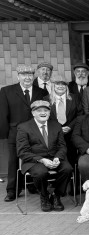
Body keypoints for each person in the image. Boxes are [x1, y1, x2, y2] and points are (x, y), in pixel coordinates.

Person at [0, 65, 48, 202]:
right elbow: (3, 113)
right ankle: (12, 190)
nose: (27, 77)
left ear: (33, 76)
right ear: (18, 76)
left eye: (30, 74)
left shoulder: (41, 91)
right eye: (23, 74)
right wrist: (4, 133)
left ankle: (32, 185)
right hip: (15, 132)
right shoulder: (6, 91)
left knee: (34, 157)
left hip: (36, 133)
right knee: (13, 161)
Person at [16, 100, 73, 212]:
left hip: (54, 157)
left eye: (46, 110)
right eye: (39, 110)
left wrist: (58, 157)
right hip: (34, 160)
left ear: (49, 112)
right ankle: (44, 196)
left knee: (67, 169)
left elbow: (62, 146)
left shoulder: (56, 125)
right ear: (33, 113)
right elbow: (22, 151)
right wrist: (42, 160)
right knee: (41, 172)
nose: (43, 113)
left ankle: (56, 195)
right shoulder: (23, 127)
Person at [44, 74, 83, 166]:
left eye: (63, 84)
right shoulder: (46, 99)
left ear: (66, 86)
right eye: (58, 84)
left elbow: (80, 114)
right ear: (53, 86)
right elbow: (46, 116)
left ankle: (73, 178)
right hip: (54, 134)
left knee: (72, 158)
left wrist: (70, 127)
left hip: (71, 133)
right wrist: (58, 128)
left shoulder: (74, 98)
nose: (61, 86)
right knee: (58, 158)